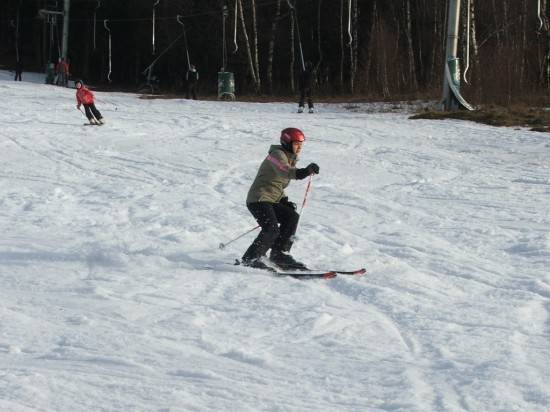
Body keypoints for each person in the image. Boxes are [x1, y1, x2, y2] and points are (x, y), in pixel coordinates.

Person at [241, 128, 320, 270]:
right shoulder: (276, 155)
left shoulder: (289, 158)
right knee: (271, 229)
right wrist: (305, 171)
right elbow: (286, 172)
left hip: (270, 199)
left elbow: (276, 184)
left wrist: (283, 200)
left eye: (301, 144)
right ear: (287, 142)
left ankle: (279, 254)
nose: (299, 147)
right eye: (296, 144)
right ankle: (251, 258)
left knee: (291, 217)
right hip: (258, 199)